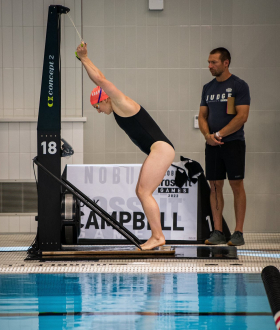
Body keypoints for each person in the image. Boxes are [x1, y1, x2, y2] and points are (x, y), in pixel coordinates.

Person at [76, 43, 175, 250]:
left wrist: (84, 58)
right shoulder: (117, 105)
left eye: (97, 106)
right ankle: (157, 236)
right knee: (142, 191)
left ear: (105, 99)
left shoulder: (122, 102)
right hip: (160, 149)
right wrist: (87, 59)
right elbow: (101, 77)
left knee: (143, 192)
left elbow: (101, 80)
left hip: (161, 149)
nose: (98, 111)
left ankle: (158, 236)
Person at [198, 47, 250, 246]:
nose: (209, 66)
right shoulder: (208, 88)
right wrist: (207, 135)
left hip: (233, 143)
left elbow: (242, 116)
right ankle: (218, 231)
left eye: (214, 62)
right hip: (212, 145)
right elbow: (202, 115)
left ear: (226, 63)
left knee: (236, 185)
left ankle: (238, 232)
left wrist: (219, 134)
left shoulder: (239, 86)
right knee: (214, 186)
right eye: (209, 62)